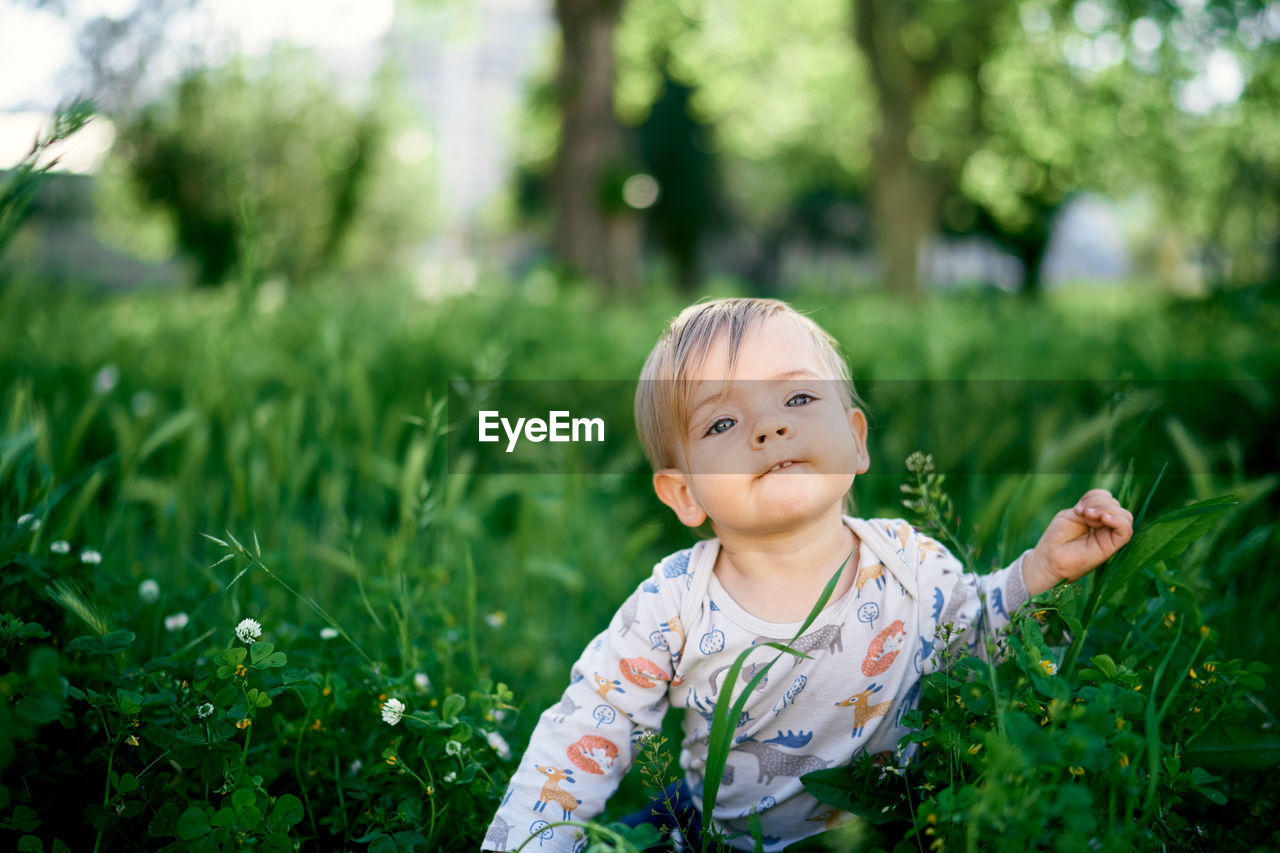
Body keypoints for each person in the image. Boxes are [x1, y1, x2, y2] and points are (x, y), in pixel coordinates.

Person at [481, 298, 1132, 852]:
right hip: (718, 832)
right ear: (684, 494)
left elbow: (978, 635)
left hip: (898, 823)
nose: (771, 425)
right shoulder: (675, 603)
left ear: (855, 439)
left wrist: (1041, 570)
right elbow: (587, 728)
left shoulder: (910, 562)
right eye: (724, 421)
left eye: (797, 395)